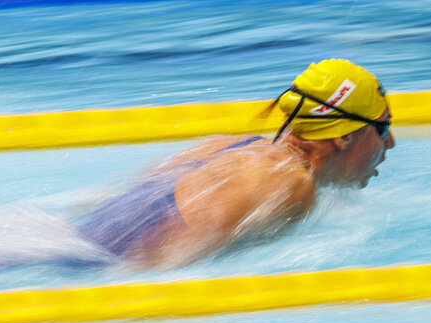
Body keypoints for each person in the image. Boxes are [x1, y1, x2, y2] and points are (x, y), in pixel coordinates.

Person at [77, 59, 395, 268]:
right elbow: (152, 267)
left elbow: (117, 202)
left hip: (75, 242)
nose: (390, 142)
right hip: (88, 267)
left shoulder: (235, 145)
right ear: (344, 136)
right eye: (382, 127)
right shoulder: (290, 185)